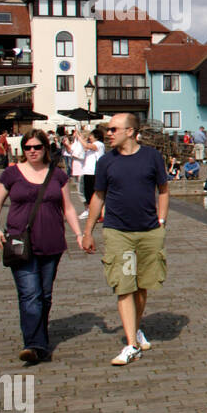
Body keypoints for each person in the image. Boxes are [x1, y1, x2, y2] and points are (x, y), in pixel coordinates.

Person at [0, 129, 84, 363]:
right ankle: (34, 344)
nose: (32, 151)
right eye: (28, 147)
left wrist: (79, 234)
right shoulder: (12, 174)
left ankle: (39, 337)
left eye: (37, 147)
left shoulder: (57, 175)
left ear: (45, 149)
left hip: (52, 242)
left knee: (45, 295)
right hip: (21, 243)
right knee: (30, 294)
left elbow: (68, 207)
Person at [79, 112, 169, 366]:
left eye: (113, 129)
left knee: (142, 286)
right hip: (118, 232)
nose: (108, 134)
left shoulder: (152, 157)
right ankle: (131, 344)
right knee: (124, 285)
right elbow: (98, 196)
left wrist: (161, 221)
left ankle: (136, 328)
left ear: (130, 131)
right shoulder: (106, 162)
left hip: (149, 232)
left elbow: (163, 190)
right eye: (108, 130)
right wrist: (88, 232)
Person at [79, 127, 105, 220]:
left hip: (94, 172)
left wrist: (80, 138)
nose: (90, 137)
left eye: (91, 135)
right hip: (87, 172)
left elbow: (87, 146)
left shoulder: (99, 144)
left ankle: (99, 214)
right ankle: (92, 212)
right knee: (88, 194)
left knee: (95, 194)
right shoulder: (91, 144)